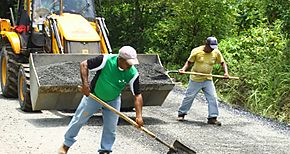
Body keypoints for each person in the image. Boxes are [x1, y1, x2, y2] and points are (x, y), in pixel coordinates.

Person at [58, 46, 144, 154]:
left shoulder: (133, 73)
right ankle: (66, 145)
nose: (130, 66)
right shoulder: (105, 60)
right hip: (94, 96)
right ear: (120, 59)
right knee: (78, 120)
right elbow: (84, 64)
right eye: (128, 63)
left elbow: (137, 95)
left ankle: (105, 150)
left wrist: (139, 116)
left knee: (111, 128)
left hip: (113, 99)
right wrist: (85, 85)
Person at [177, 37, 229, 126]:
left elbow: (222, 62)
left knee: (213, 97)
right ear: (206, 44)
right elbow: (189, 62)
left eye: (214, 47)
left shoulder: (216, 52)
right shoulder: (197, 51)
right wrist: (183, 69)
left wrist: (226, 73)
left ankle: (212, 118)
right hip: (196, 79)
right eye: (210, 47)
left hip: (207, 79)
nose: (212, 49)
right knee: (189, 96)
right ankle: (181, 114)